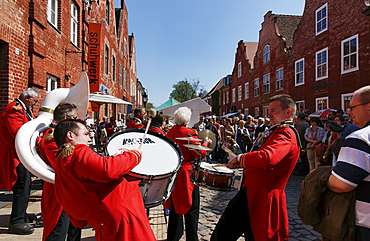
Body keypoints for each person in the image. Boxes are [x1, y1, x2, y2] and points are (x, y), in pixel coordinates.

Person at [211, 94, 300, 241]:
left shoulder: (285, 133)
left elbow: (268, 157)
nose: (269, 115)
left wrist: (240, 159)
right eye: (268, 110)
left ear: (288, 112)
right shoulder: (278, 131)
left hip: (261, 195)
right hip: (253, 192)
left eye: (273, 110)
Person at [53, 119, 156, 241]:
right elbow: (107, 169)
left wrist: (91, 217)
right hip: (121, 216)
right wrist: (134, 155)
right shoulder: (78, 152)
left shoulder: (61, 160)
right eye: (85, 134)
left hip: (106, 219)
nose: (90, 138)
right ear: (70, 135)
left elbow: (64, 197)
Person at [327, 85, 370, 240]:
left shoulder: (361, 138)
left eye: (352, 107)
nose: (349, 112)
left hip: (365, 225)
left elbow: (341, 184)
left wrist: (326, 179)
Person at [164, 107, 211, 241]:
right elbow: (200, 153)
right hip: (187, 173)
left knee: (174, 208)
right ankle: (192, 238)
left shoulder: (170, 132)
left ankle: (173, 236)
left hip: (173, 172)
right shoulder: (189, 133)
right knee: (192, 209)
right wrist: (206, 142)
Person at [38, 103, 81, 241]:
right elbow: (63, 165)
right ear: (65, 118)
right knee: (58, 231)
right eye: (74, 118)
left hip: (70, 191)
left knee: (74, 230)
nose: (77, 121)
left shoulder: (61, 135)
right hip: (59, 193)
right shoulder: (52, 138)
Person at [0, 88, 40, 235]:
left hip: (21, 153)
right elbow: (17, 132)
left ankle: (21, 215)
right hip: (14, 154)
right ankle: (16, 221)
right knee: (21, 186)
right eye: (34, 101)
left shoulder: (23, 109)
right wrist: (38, 140)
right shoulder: (15, 109)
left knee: (25, 185)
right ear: (28, 98)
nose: (35, 104)